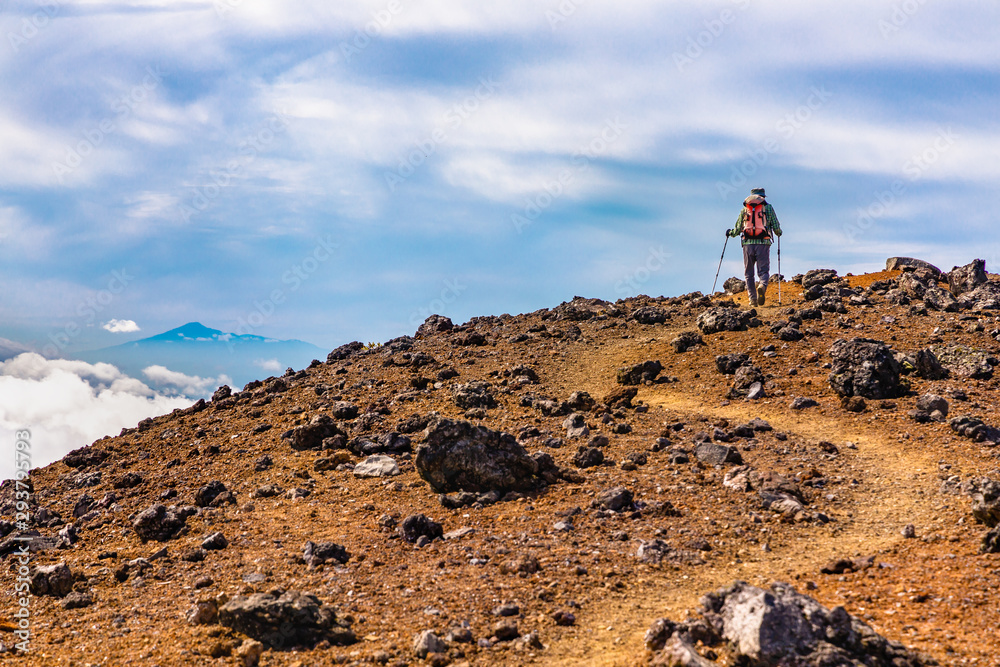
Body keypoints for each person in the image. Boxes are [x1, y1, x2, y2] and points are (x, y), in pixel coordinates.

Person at [727, 187, 782, 306]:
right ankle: (762, 285)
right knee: (763, 271)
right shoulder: (768, 207)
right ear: (763, 197)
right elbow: (776, 227)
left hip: (747, 244)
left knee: (748, 273)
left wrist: (730, 233)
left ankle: (753, 300)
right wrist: (779, 232)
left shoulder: (745, 209)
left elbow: (737, 230)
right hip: (763, 243)